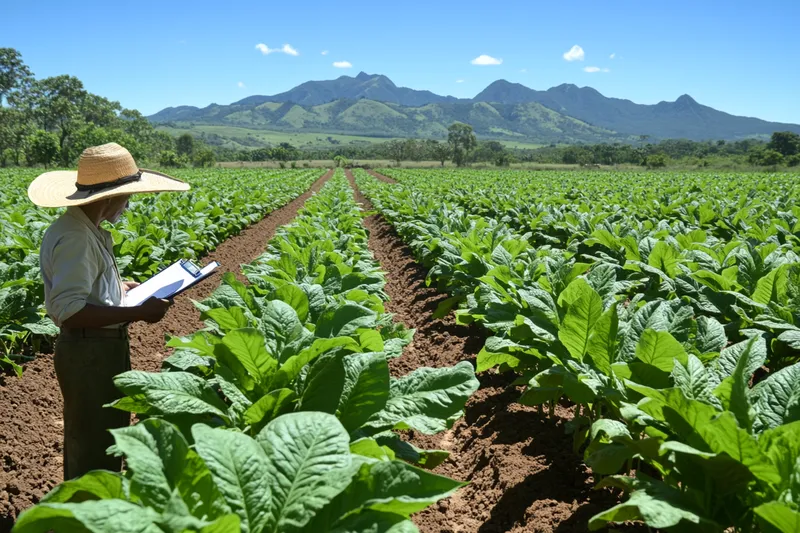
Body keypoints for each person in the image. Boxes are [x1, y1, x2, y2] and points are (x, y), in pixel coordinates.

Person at [27, 142, 190, 480]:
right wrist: (139, 312)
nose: (128, 205)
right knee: (92, 447)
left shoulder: (87, 231)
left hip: (98, 348)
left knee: (101, 436)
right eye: (127, 197)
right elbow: (70, 310)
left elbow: (86, 289)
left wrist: (122, 288)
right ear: (110, 197)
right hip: (89, 352)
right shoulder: (76, 238)